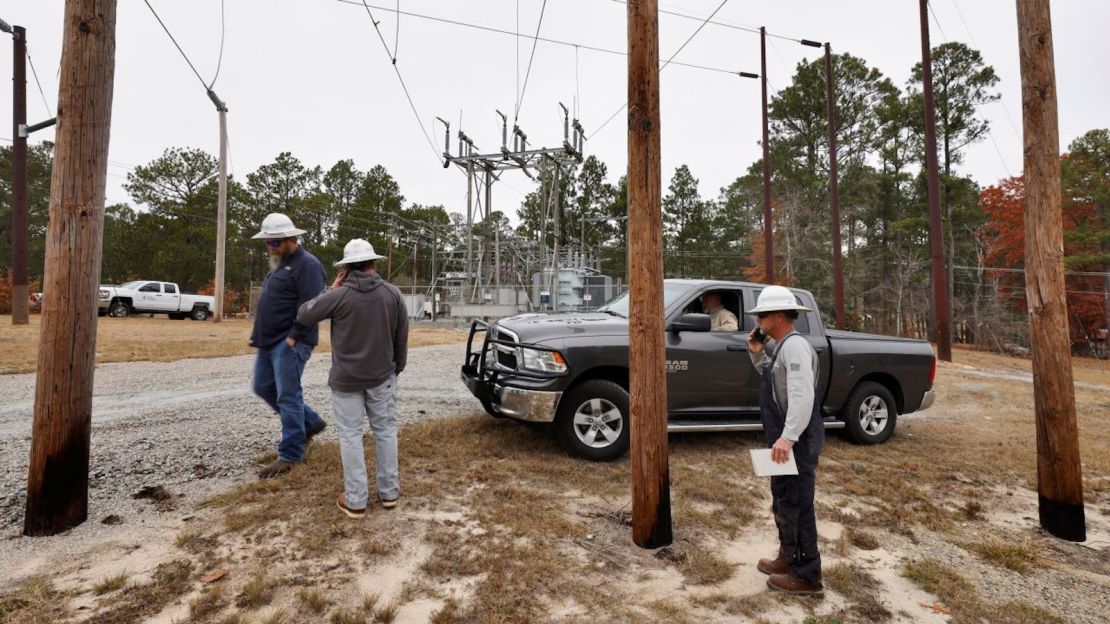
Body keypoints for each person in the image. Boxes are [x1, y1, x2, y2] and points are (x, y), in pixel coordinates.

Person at [297, 239, 409, 518]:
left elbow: (305, 314)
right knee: (385, 431)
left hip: (346, 380)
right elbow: (401, 338)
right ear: (373, 262)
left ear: (346, 268)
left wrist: (331, 289)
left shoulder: (339, 295)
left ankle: (356, 500)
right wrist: (396, 369)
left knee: (350, 436)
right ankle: (389, 492)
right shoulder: (393, 294)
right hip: (382, 376)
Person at [746, 285, 824, 595]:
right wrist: (757, 354)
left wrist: (788, 437)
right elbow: (774, 378)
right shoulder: (781, 347)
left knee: (799, 503)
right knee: (783, 499)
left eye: (763, 315)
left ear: (778, 316)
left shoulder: (795, 347)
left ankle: (807, 575)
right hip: (784, 437)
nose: (759, 321)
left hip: (797, 440)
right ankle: (788, 558)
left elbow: (802, 397)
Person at [249, 213, 328, 479]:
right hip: (268, 343)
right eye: (267, 242)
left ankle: (291, 454)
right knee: (261, 387)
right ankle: (310, 423)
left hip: (291, 343)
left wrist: (293, 337)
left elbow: (312, 306)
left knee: (288, 395)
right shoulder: (279, 265)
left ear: (289, 239)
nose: (269, 247)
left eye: (273, 242)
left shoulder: (308, 265)